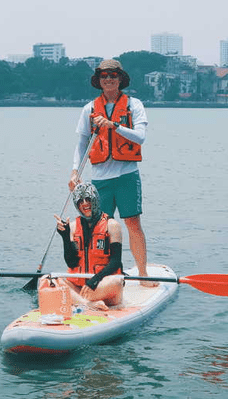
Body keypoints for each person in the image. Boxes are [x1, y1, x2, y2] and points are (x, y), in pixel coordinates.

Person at [68, 59, 157, 287]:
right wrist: (75, 171)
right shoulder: (89, 108)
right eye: (104, 76)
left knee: (132, 223)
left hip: (127, 175)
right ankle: (100, 274)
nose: (109, 79)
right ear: (98, 81)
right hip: (100, 178)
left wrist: (113, 125)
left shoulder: (134, 105)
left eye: (113, 75)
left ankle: (143, 274)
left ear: (120, 80)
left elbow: (140, 137)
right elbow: (82, 144)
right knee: (100, 228)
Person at [54, 183, 124, 310]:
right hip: (81, 288)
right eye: (80, 201)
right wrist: (65, 237)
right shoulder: (74, 227)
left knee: (117, 281)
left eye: (88, 199)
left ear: (95, 200)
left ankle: (75, 300)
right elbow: (71, 263)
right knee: (51, 280)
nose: (84, 203)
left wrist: (95, 281)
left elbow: (115, 262)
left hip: (102, 285)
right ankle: (87, 304)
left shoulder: (112, 225)